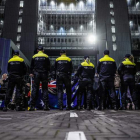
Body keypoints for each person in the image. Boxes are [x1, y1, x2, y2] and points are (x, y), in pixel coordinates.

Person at [29, 46, 50, 111]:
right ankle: (46, 106)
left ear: (38, 50)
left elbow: (31, 66)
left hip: (36, 74)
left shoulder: (34, 56)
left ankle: (32, 106)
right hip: (44, 74)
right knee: (45, 89)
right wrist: (48, 74)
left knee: (35, 89)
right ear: (43, 50)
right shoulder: (46, 56)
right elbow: (49, 66)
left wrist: (31, 72)